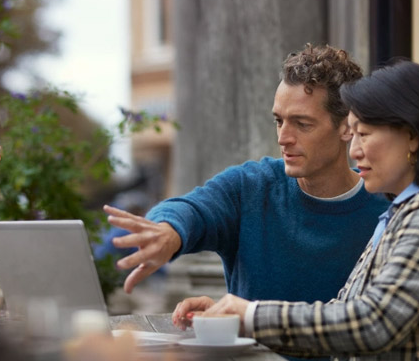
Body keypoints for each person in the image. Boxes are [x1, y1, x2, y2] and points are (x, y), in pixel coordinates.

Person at [191, 60, 419, 360]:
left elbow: (375, 322)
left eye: (365, 134)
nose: (355, 151)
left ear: (412, 135)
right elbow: (342, 315)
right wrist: (231, 318)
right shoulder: (403, 211)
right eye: (353, 134)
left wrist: (250, 315)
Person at [104, 44, 389, 311]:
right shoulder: (251, 187)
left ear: (347, 127)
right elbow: (193, 209)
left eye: (302, 124)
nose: (283, 137)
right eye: (279, 121)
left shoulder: (387, 208)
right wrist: (168, 231)